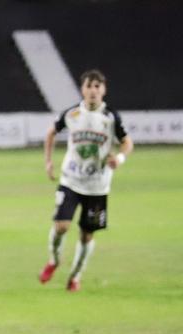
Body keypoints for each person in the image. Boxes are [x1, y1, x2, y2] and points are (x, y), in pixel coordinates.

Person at [40, 69, 134, 292]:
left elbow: (128, 142)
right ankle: (54, 261)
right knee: (61, 226)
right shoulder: (72, 114)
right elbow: (51, 133)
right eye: (89, 86)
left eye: (97, 86)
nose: (93, 90)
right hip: (71, 180)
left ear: (103, 90)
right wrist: (48, 162)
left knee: (86, 234)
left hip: (97, 186)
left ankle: (75, 276)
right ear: (82, 89)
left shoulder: (110, 118)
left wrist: (119, 158)